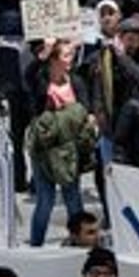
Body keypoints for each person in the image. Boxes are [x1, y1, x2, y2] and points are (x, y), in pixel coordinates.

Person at [24, 56, 95, 246]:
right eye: (65, 55)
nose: (70, 59)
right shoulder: (40, 81)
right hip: (44, 152)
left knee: (73, 198)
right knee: (45, 201)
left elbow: (86, 109)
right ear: (53, 60)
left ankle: (80, 241)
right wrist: (40, 56)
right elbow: (28, 76)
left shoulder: (76, 81)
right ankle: (36, 244)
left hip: (69, 151)